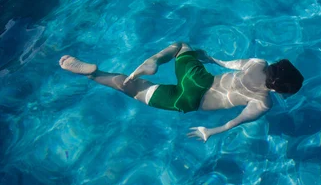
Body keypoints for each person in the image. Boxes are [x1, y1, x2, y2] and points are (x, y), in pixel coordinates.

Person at [58, 42, 303, 142]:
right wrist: (210, 131)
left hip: (197, 79)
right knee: (131, 89)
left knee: (181, 46)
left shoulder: (258, 62)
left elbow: (227, 64)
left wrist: (207, 57)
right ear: (280, 89)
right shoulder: (263, 101)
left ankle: (152, 61)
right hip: (187, 101)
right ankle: (93, 74)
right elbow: (234, 122)